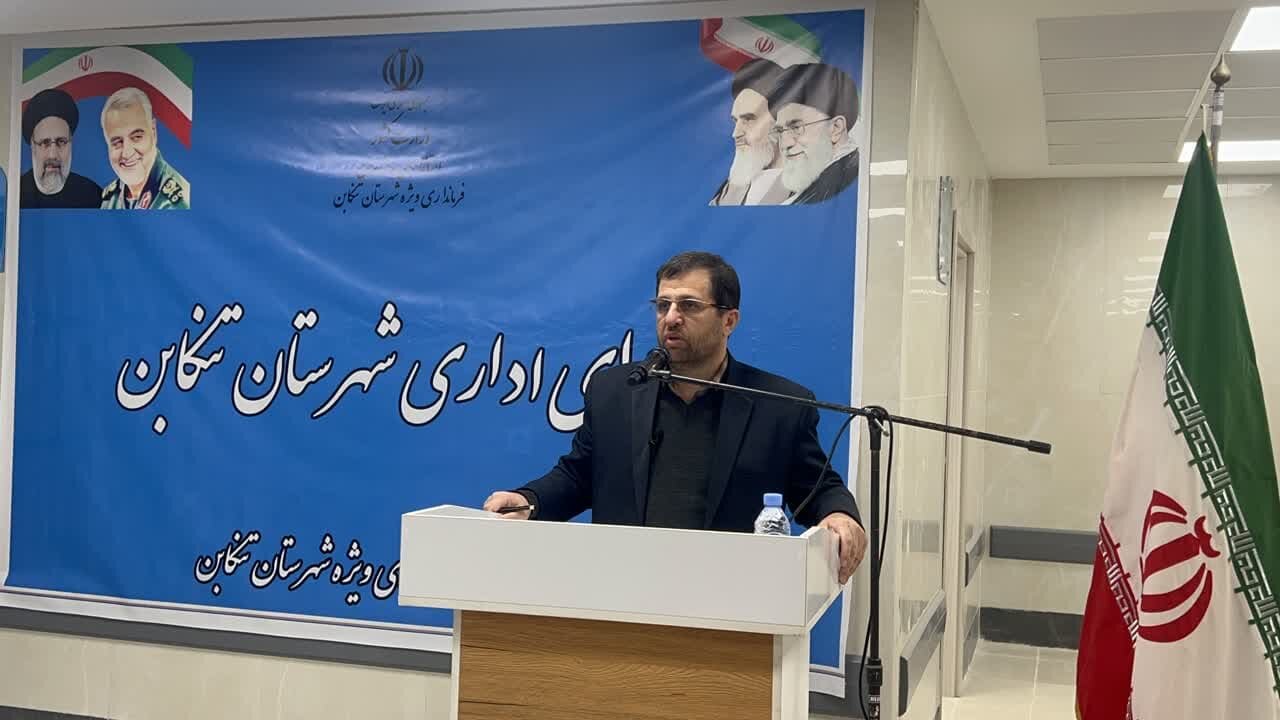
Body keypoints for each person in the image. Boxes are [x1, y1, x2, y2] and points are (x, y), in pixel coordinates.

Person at [484, 251, 867, 583]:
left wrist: (840, 515)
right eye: (663, 305)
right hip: (621, 587)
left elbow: (818, 488)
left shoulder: (779, 405)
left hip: (731, 595)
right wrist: (529, 500)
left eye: (689, 306)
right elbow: (578, 476)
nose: (671, 317)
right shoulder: (615, 390)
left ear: (729, 320)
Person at [766, 63, 860, 205]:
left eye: (796, 127)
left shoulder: (848, 181)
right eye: (780, 131)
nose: (785, 144)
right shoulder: (815, 179)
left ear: (836, 128)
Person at [709, 59, 790, 206]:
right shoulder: (732, 187)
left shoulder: (810, 185)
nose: (735, 134)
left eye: (748, 119)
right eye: (735, 121)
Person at [99, 87, 190, 210]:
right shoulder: (109, 200)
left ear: (153, 132)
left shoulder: (179, 203)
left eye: (136, 137)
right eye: (117, 142)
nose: (127, 153)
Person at [19, 88, 103, 209]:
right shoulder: (15, 193)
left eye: (61, 142)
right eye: (45, 143)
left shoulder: (93, 196)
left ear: (71, 143)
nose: (53, 155)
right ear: (32, 145)